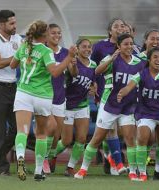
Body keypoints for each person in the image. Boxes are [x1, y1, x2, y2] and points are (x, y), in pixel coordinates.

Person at [10, 20, 76, 181]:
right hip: (42, 96)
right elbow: (54, 72)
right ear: (45, 34)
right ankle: (39, 171)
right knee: (41, 134)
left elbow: (12, 65)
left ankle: (20, 157)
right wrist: (69, 58)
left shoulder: (24, 47)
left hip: (23, 93)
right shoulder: (46, 51)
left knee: (22, 131)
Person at [74, 33, 145, 181]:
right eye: (125, 44)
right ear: (118, 46)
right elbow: (97, 71)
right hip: (110, 104)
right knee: (97, 138)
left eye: (131, 43)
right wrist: (111, 59)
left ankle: (132, 172)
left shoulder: (139, 62)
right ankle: (82, 169)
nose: (129, 46)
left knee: (130, 139)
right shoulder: (111, 58)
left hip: (128, 106)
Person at [117, 47, 159, 182]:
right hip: (146, 113)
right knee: (143, 138)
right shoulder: (142, 74)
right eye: (155, 57)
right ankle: (142, 173)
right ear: (149, 60)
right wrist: (123, 92)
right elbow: (130, 85)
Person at [91, 18, 126, 175]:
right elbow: (91, 66)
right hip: (105, 93)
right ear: (110, 30)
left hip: (125, 96)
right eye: (116, 26)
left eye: (122, 26)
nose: (119, 28)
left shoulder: (129, 45)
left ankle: (109, 158)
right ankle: (115, 164)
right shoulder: (100, 46)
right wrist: (93, 84)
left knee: (118, 130)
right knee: (110, 129)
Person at [58, 38, 97, 177]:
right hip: (67, 105)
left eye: (89, 47)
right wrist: (73, 64)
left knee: (81, 139)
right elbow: (74, 73)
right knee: (66, 141)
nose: (87, 49)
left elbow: (92, 81)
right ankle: (46, 157)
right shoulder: (72, 61)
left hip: (82, 105)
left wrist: (93, 88)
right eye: (84, 47)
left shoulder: (93, 64)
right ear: (78, 48)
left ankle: (70, 167)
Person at [43, 23, 77, 174]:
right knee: (49, 128)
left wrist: (74, 64)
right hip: (43, 96)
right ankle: (43, 160)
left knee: (56, 135)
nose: (57, 36)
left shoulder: (65, 52)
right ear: (46, 35)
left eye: (59, 33)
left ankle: (48, 158)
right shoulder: (42, 50)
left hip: (59, 97)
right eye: (53, 33)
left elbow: (74, 73)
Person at [0, 9, 22, 175]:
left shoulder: (18, 39)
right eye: (11, 23)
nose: (14, 26)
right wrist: (20, 56)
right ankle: (3, 167)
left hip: (14, 87)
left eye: (15, 22)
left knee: (17, 129)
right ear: (1, 24)